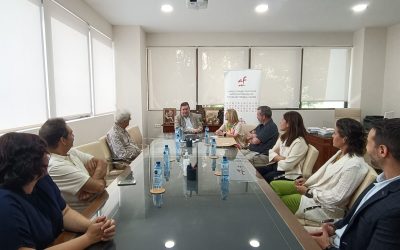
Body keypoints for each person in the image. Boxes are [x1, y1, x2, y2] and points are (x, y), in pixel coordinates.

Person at [0, 132, 116, 249]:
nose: (47, 157)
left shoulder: (41, 178)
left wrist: (94, 226)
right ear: (23, 164)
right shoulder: (5, 204)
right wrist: (88, 238)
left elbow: (64, 212)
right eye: (41, 156)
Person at [312, 118, 400, 249]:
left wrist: (327, 246)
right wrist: (334, 227)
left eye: (368, 142)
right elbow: (357, 216)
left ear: (382, 150)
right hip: (336, 236)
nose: (365, 147)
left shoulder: (394, 209)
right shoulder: (382, 180)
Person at [270, 118, 368, 224]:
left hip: (325, 208)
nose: (332, 136)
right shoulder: (340, 153)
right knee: (274, 186)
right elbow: (325, 175)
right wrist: (308, 181)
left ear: (345, 139)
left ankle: (282, 225)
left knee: (281, 201)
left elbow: (337, 197)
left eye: (335, 133)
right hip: (316, 191)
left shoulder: (354, 165)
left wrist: (309, 191)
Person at [39, 118, 108, 212]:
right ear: (63, 140)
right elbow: (99, 186)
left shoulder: (70, 152)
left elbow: (102, 162)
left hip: (100, 202)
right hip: (88, 215)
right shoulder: (56, 166)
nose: (73, 135)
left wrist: (93, 181)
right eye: (71, 133)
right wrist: (99, 181)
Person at [257, 111, 309, 183]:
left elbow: (286, 166)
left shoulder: (299, 142)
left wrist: (276, 157)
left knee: (265, 179)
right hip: (277, 166)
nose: (280, 122)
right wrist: (281, 158)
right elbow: (271, 151)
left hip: (289, 173)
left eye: (282, 120)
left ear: (288, 124)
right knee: (256, 171)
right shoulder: (284, 137)